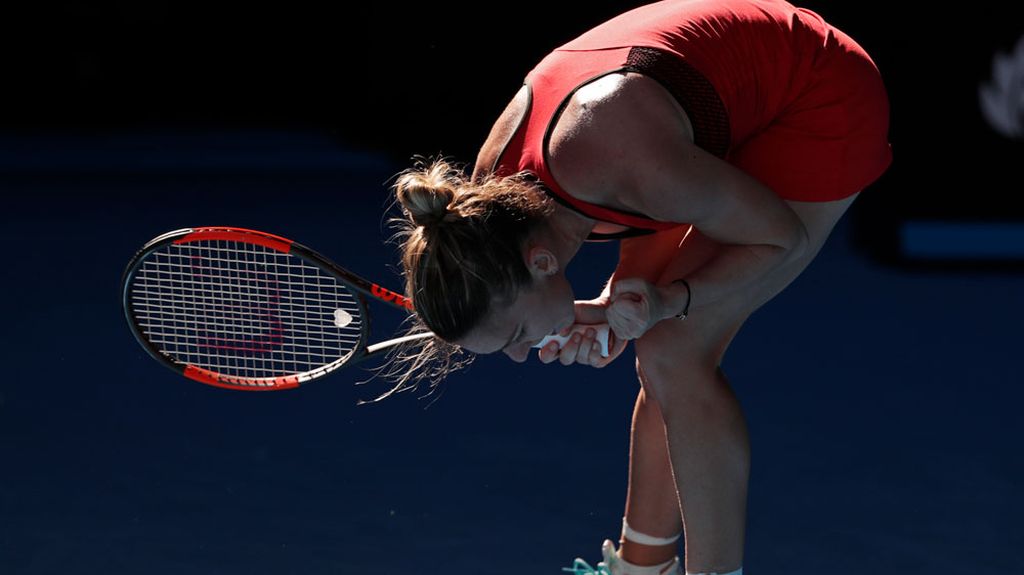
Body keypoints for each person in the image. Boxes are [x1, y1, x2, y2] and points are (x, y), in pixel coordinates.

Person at [388, 1, 891, 573]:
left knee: (675, 346)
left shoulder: (617, 153)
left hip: (819, 96)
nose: (526, 353)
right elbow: (652, 197)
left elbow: (781, 240)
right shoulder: (488, 209)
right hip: (696, 125)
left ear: (543, 261)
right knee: (655, 338)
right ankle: (639, 568)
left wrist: (667, 301)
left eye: (519, 335)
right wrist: (624, 294)